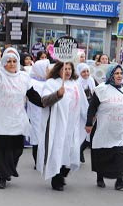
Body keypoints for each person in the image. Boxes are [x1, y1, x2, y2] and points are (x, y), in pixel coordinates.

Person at [0, 43, 64, 189]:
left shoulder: (24, 78)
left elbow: (36, 98)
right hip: (0, 120)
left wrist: (55, 96)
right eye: (8, 61)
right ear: (3, 62)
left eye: (14, 61)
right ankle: (2, 176)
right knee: (1, 150)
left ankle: (8, 169)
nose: (11, 64)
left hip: (17, 120)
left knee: (17, 150)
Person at [37, 61, 88, 191]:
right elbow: (44, 101)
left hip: (72, 126)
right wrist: (58, 94)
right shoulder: (51, 84)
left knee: (72, 151)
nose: (68, 71)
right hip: (58, 125)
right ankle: (57, 178)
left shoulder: (76, 84)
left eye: (70, 69)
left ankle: (63, 172)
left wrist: (89, 119)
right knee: (57, 151)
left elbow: (82, 104)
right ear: (58, 70)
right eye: (65, 68)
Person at [86, 65, 123, 190]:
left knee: (121, 152)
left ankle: (119, 181)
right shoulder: (101, 89)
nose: (119, 76)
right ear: (110, 75)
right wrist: (89, 123)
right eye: (116, 73)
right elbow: (92, 107)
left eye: (121, 73)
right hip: (105, 127)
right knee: (103, 153)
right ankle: (100, 178)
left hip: (121, 128)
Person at [28, 59, 50, 168]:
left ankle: (45, 159)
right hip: (36, 115)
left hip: (47, 114)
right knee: (37, 137)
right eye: (46, 68)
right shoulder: (31, 82)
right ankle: (37, 161)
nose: (48, 70)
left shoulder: (49, 82)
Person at [77, 63, 96, 163]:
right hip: (81, 110)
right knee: (82, 131)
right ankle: (77, 151)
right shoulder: (77, 82)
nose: (86, 73)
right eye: (83, 71)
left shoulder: (91, 80)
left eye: (87, 71)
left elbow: (94, 93)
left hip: (90, 108)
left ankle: (80, 150)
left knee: (90, 132)